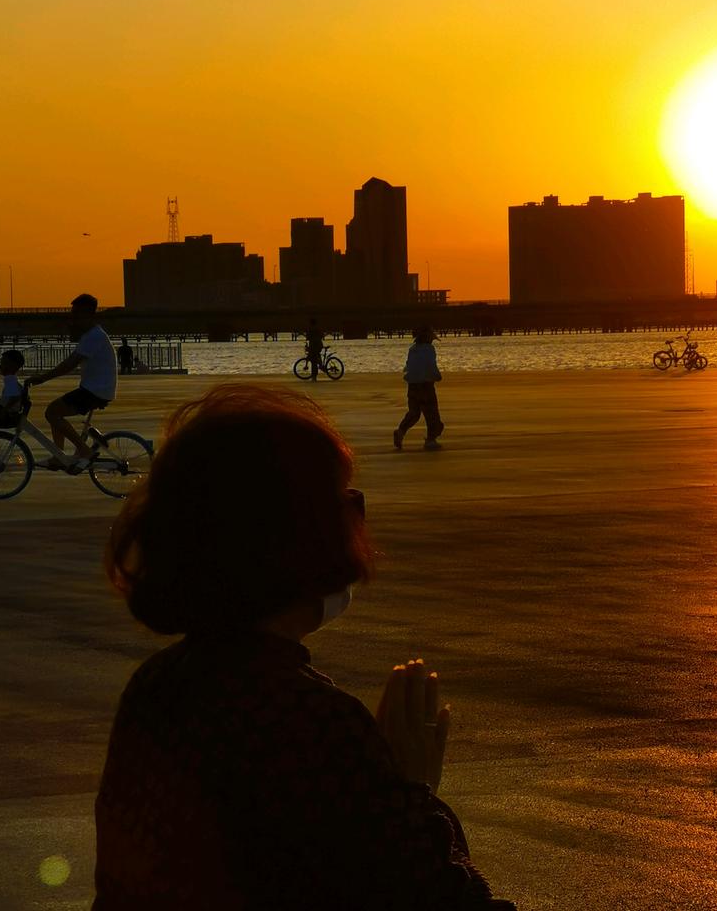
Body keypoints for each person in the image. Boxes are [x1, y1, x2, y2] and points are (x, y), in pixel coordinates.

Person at [93, 384, 515, 910]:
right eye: (345, 501)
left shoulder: (157, 686)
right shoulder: (308, 722)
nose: (357, 518)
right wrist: (413, 793)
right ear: (297, 534)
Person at [26, 293, 117, 471]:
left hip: (95, 391)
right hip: (96, 389)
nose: (72, 318)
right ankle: (59, 455)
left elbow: (69, 364)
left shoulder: (93, 337)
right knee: (55, 412)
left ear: (87, 314)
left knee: (52, 412)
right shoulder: (91, 335)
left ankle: (84, 451)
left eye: (76, 314)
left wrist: (42, 378)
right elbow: (72, 357)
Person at [394, 325, 445, 451]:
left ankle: (400, 431)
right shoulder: (429, 349)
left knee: (414, 413)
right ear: (428, 338)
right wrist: (437, 376)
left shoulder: (413, 349)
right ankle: (431, 440)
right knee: (432, 414)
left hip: (412, 385)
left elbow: (409, 366)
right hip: (426, 385)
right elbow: (430, 365)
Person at [304, 317, 325, 381]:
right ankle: (320, 365)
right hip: (319, 345)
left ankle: (314, 376)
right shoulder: (318, 328)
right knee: (317, 357)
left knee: (313, 362)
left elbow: (307, 337)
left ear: (310, 323)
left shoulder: (310, 329)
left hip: (313, 346)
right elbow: (322, 335)